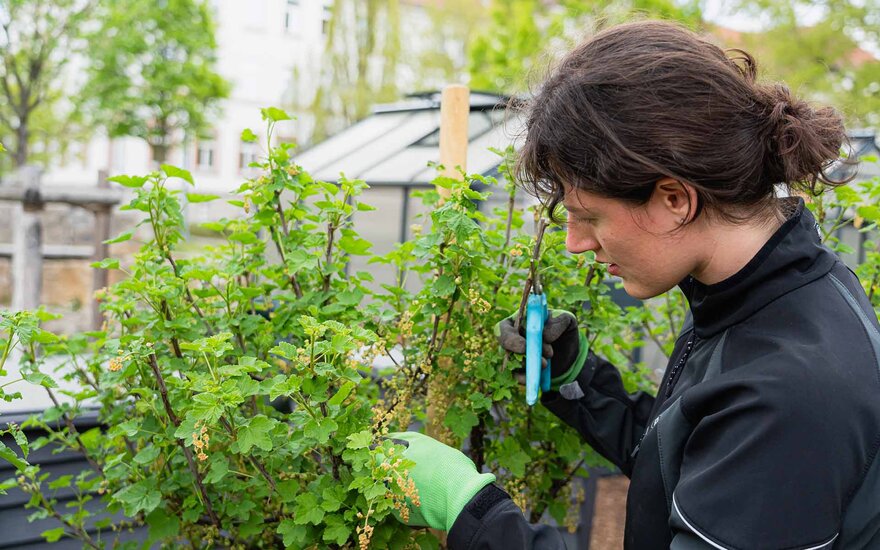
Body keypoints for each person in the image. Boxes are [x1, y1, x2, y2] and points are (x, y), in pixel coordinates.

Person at [389, 20, 880, 549]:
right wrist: (579, 383)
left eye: (589, 216)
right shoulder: (757, 292)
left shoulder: (788, 393)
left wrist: (468, 508)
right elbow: (696, 460)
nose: (575, 242)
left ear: (674, 199)